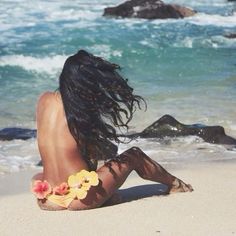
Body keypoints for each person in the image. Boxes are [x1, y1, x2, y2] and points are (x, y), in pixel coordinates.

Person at [31, 50, 193, 211]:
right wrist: (106, 192)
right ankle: (175, 184)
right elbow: (90, 161)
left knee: (41, 174)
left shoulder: (43, 100)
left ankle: (101, 196)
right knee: (134, 155)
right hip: (81, 198)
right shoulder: (81, 112)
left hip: (48, 197)